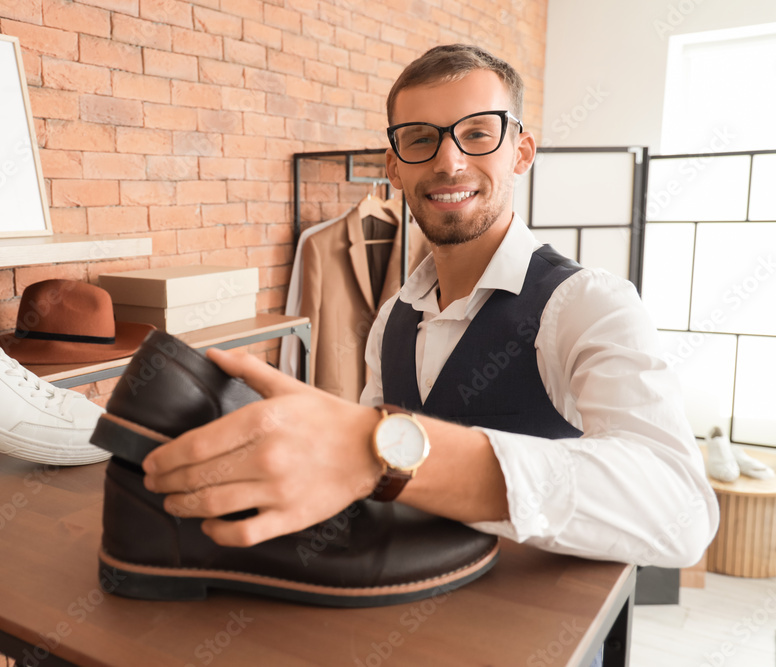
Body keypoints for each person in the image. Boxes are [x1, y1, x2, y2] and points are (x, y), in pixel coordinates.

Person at [141, 44, 719, 571]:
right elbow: (367, 489)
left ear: (522, 152)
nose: (448, 162)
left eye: (477, 133)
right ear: (394, 168)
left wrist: (381, 450)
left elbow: (680, 511)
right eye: (421, 138)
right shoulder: (392, 319)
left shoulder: (589, 305)